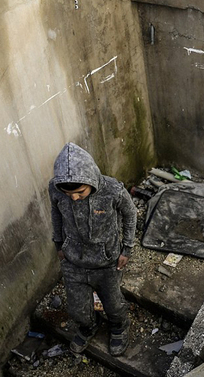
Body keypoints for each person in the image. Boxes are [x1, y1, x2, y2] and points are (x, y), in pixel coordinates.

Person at [48, 142, 137, 356]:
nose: (74, 198)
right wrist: (59, 244)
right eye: (69, 194)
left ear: (91, 181)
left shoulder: (112, 190)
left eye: (80, 192)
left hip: (107, 262)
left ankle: (119, 327)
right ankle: (88, 326)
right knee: (77, 309)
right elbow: (56, 213)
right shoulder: (56, 190)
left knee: (114, 304)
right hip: (73, 262)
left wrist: (127, 248)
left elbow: (130, 214)